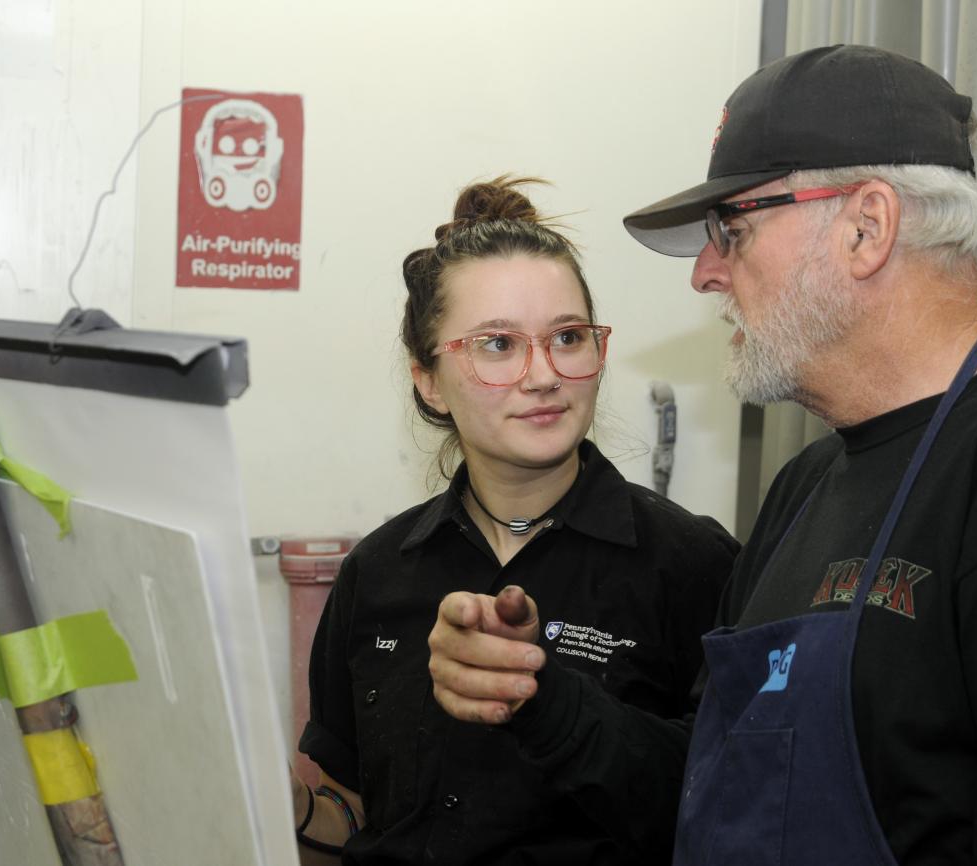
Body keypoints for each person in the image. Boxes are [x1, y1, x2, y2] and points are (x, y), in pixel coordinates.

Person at [427, 46, 977, 864]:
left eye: (734, 229)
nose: (708, 274)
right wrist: (538, 695)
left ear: (867, 226)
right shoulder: (806, 486)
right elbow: (716, 790)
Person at [294, 176, 738, 865]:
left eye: (567, 337)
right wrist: (292, 811)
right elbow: (354, 815)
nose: (542, 375)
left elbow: (729, 810)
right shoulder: (378, 572)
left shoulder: (692, 565)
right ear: (428, 380)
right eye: (497, 345)